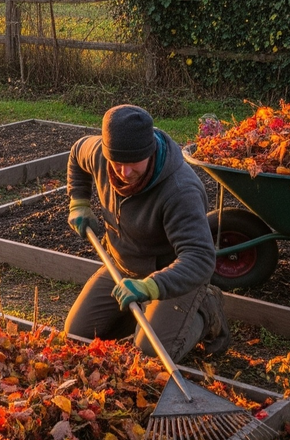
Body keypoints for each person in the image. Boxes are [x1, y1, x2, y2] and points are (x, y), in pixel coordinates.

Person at [65, 104, 229, 361]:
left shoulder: (180, 190)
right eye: (117, 163)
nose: (124, 172)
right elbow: (77, 153)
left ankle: (206, 310)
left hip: (174, 275)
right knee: (78, 335)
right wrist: (79, 202)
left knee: (151, 352)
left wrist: (151, 286)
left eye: (132, 163)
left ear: (150, 151)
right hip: (123, 267)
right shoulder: (100, 154)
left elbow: (200, 258)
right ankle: (148, 313)